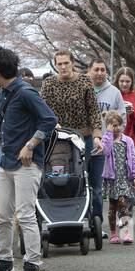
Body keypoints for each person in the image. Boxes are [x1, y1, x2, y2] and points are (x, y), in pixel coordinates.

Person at [0, 46, 57, 271]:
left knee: (25, 215)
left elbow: (49, 119)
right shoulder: (2, 94)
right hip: (6, 162)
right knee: (1, 216)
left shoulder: (26, 92)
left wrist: (31, 143)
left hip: (27, 163)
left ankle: (32, 267)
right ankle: (5, 265)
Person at [41, 50, 104, 236]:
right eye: (59, 64)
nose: (63, 67)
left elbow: (93, 111)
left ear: (72, 63)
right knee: (60, 177)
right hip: (57, 140)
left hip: (83, 138)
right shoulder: (49, 84)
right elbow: (42, 109)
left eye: (66, 63)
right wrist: (54, 123)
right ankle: (60, 218)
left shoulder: (85, 81)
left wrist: (97, 135)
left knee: (85, 179)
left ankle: (92, 219)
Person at [100, 110, 135, 243]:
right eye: (113, 126)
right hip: (112, 180)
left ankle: (126, 233)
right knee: (112, 208)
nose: (116, 128)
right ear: (108, 126)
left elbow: (133, 158)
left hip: (124, 179)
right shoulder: (107, 140)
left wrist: (134, 175)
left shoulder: (127, 141)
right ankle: (113, 233)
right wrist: (108, 133)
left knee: (123, 205)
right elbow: (105, 150)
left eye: (118, 125)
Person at [115, 68, 135, 146]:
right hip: (113, 138)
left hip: (131, 140)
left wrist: (133, 113)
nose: (124, 84)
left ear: (132, 82)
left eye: (127, 81)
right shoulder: (113, 94)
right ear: (117, 81)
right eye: (122, 81)